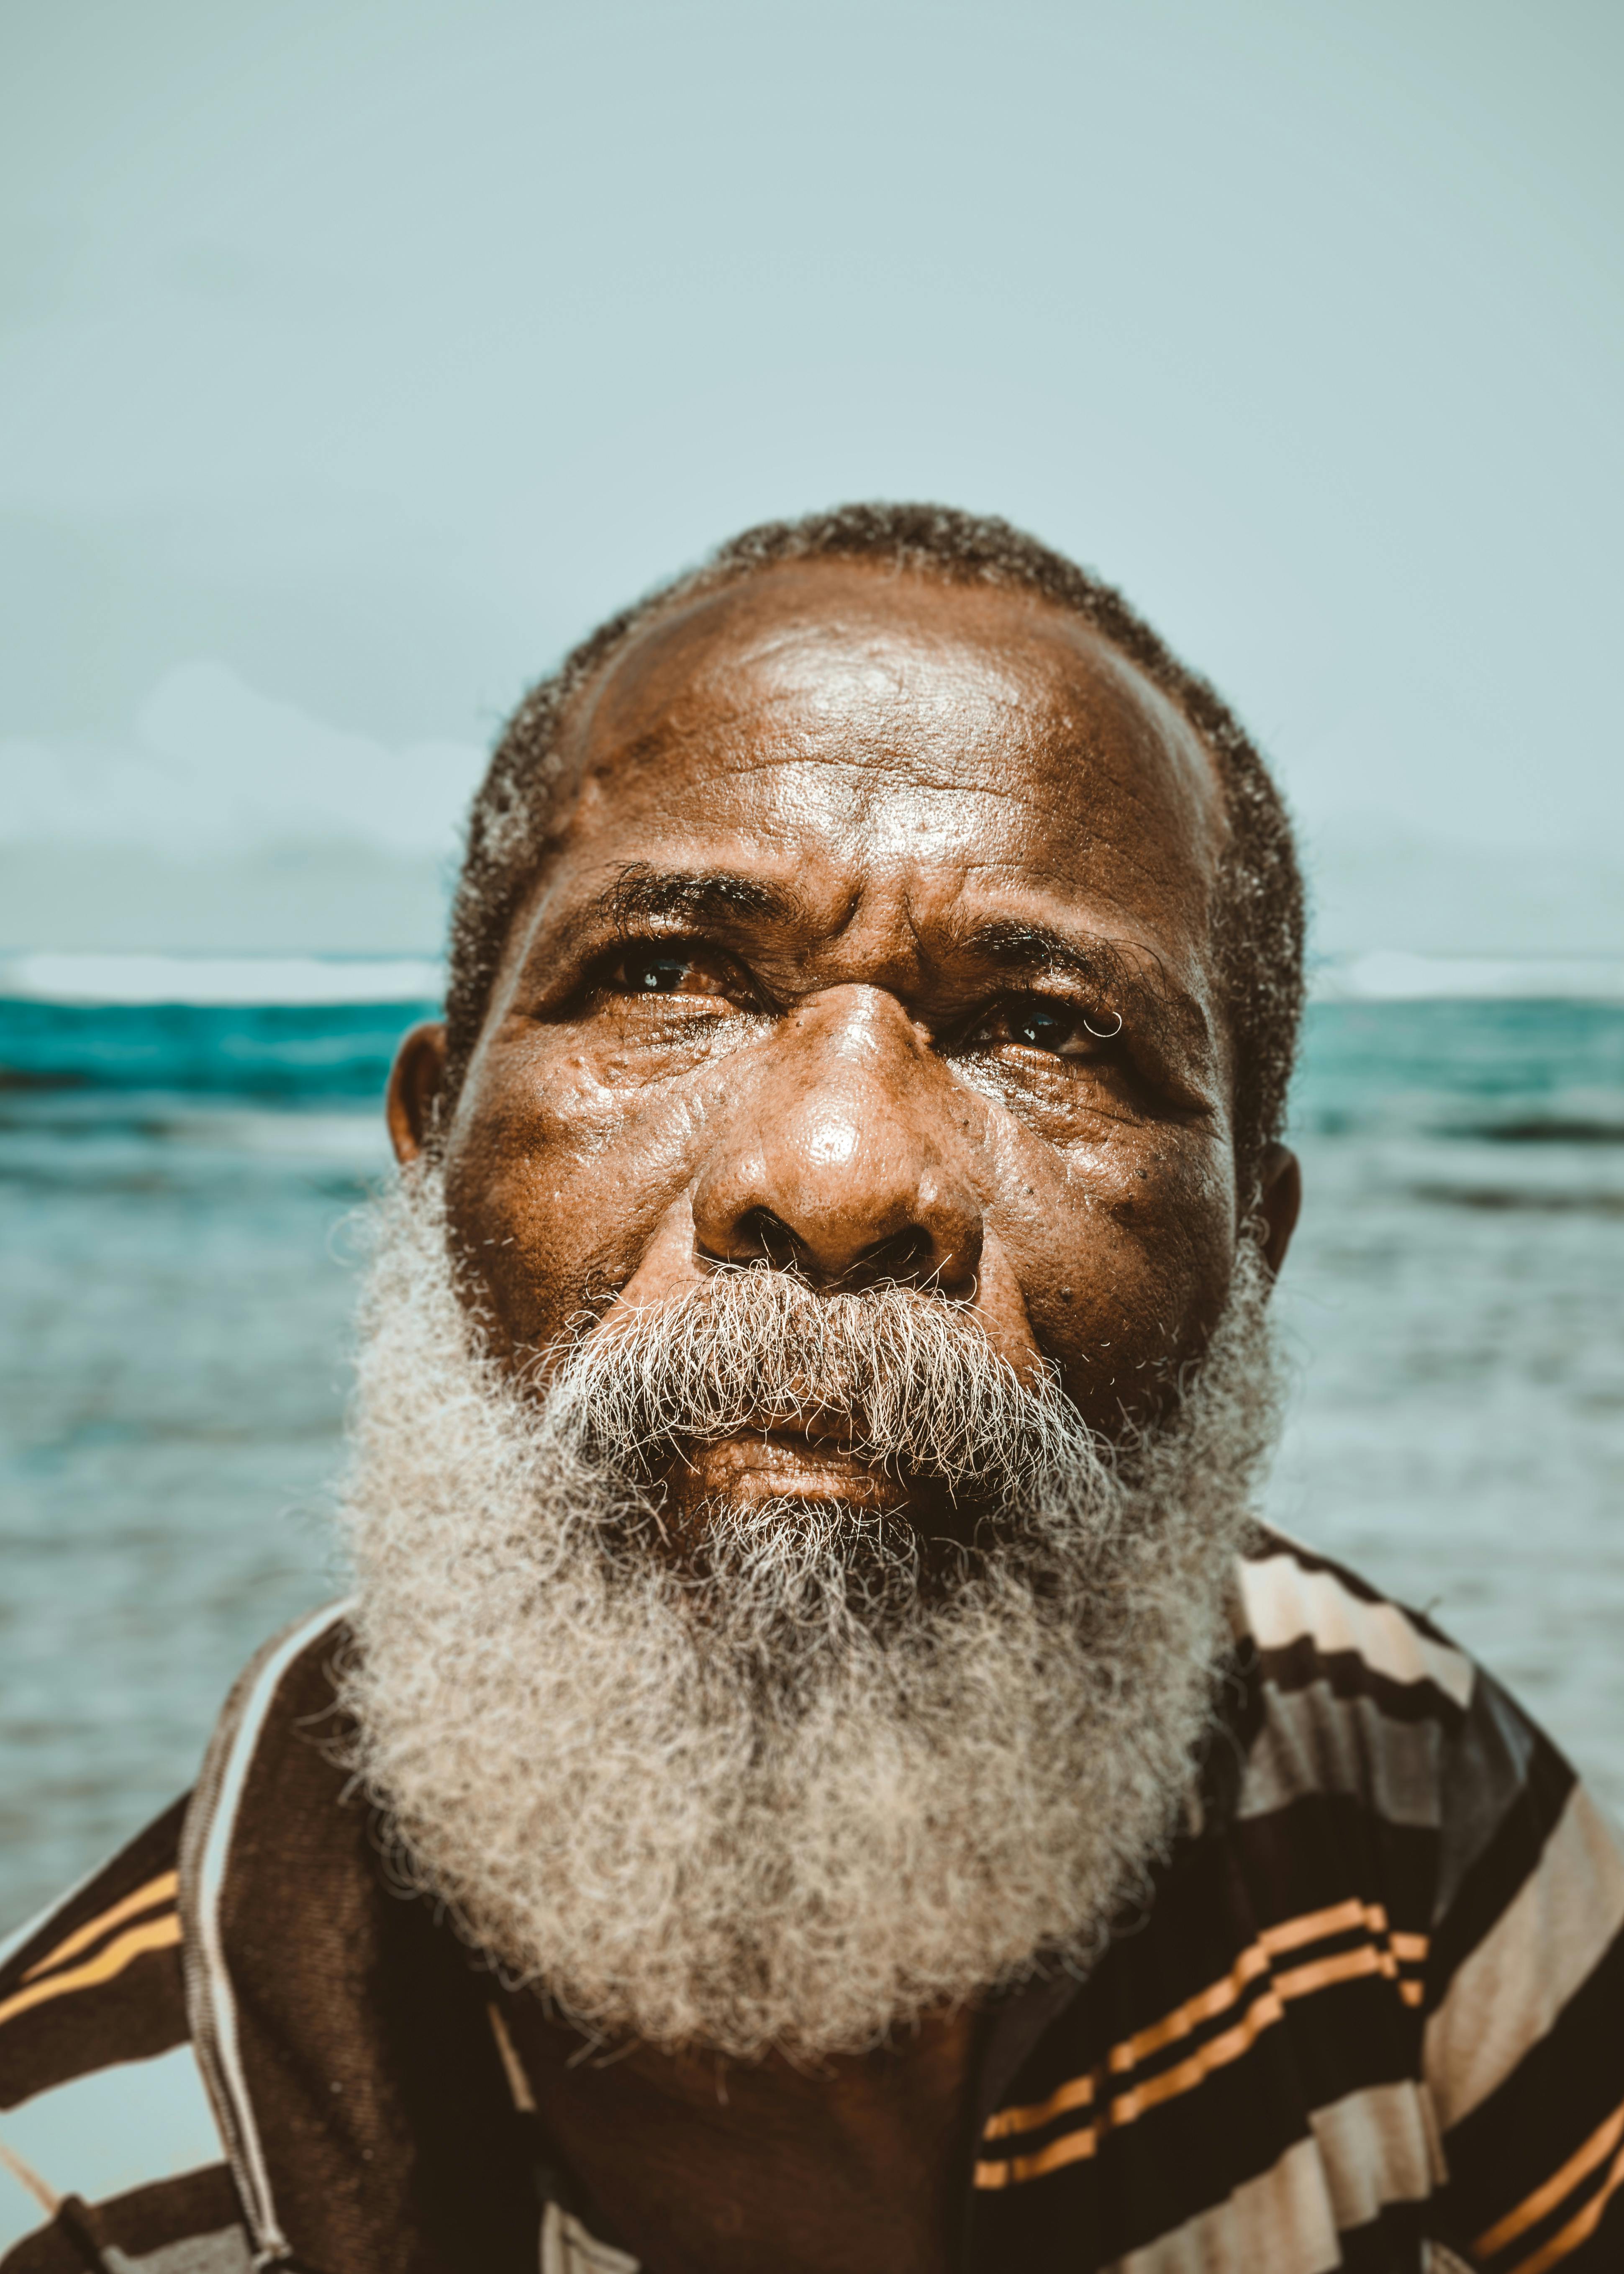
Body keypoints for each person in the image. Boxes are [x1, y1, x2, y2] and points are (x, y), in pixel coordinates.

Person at [0, 505, 1619, 2274]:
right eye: (666, 980)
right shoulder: (92, 2200)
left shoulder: (1376, 1778)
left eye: (1051, 1026)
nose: (840, 1174)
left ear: (1249, 1246)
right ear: (426, 1151)